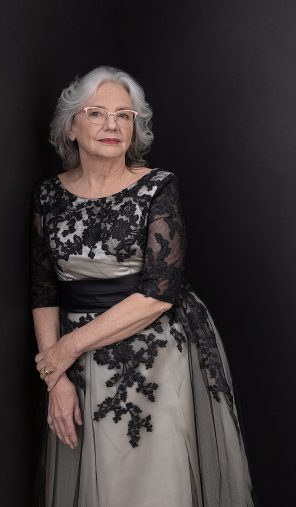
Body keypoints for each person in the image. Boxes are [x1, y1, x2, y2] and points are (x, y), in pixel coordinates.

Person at [31, 66, 254, 506]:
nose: (111, 125)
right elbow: (43, 290)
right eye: (96, 113)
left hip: (154, 352)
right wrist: (56, 377)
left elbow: (158, 294)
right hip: (75, 361)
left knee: (154, 485)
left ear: (135, 129)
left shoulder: (157, 187)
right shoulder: (48, 195)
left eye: (124, 115)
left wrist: (65, 349)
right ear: (71, 126)